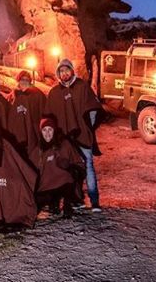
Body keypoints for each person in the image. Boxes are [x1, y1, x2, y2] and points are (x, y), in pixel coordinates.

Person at [45, 58, 103, 212]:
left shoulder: (82, 87)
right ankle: (77, 200)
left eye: (67, 70)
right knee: (71, 169)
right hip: (65, 140)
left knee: (88, 166)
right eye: (61, 71)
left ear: (72, 70)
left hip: (82, 136)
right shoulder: (54, 93)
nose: (64, 73)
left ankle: (94, 200)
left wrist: (87, 127)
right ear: (58, 73)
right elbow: (49, 117)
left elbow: (94, 108)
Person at [29, 117, 85, 217]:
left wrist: (69, 167)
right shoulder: (38, 150)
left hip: (64, 184)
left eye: (50, 129)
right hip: (46, 186)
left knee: (70, 177)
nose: (47, 133)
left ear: (54, 130)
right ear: (40, 132)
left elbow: (79, 163)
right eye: (44, 130)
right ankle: (53, 204)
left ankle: (68, 204)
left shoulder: (64, 144)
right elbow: (29, 170)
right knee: (35, 203)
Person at [9, 70, 46, 156]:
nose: (24, 81)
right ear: (18, 80)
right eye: (22, 79)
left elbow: (43, 111)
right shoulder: (13, 96)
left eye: (27, 79)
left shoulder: (37, 94)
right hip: (17, 134)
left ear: (30, 81)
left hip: (32, 133)